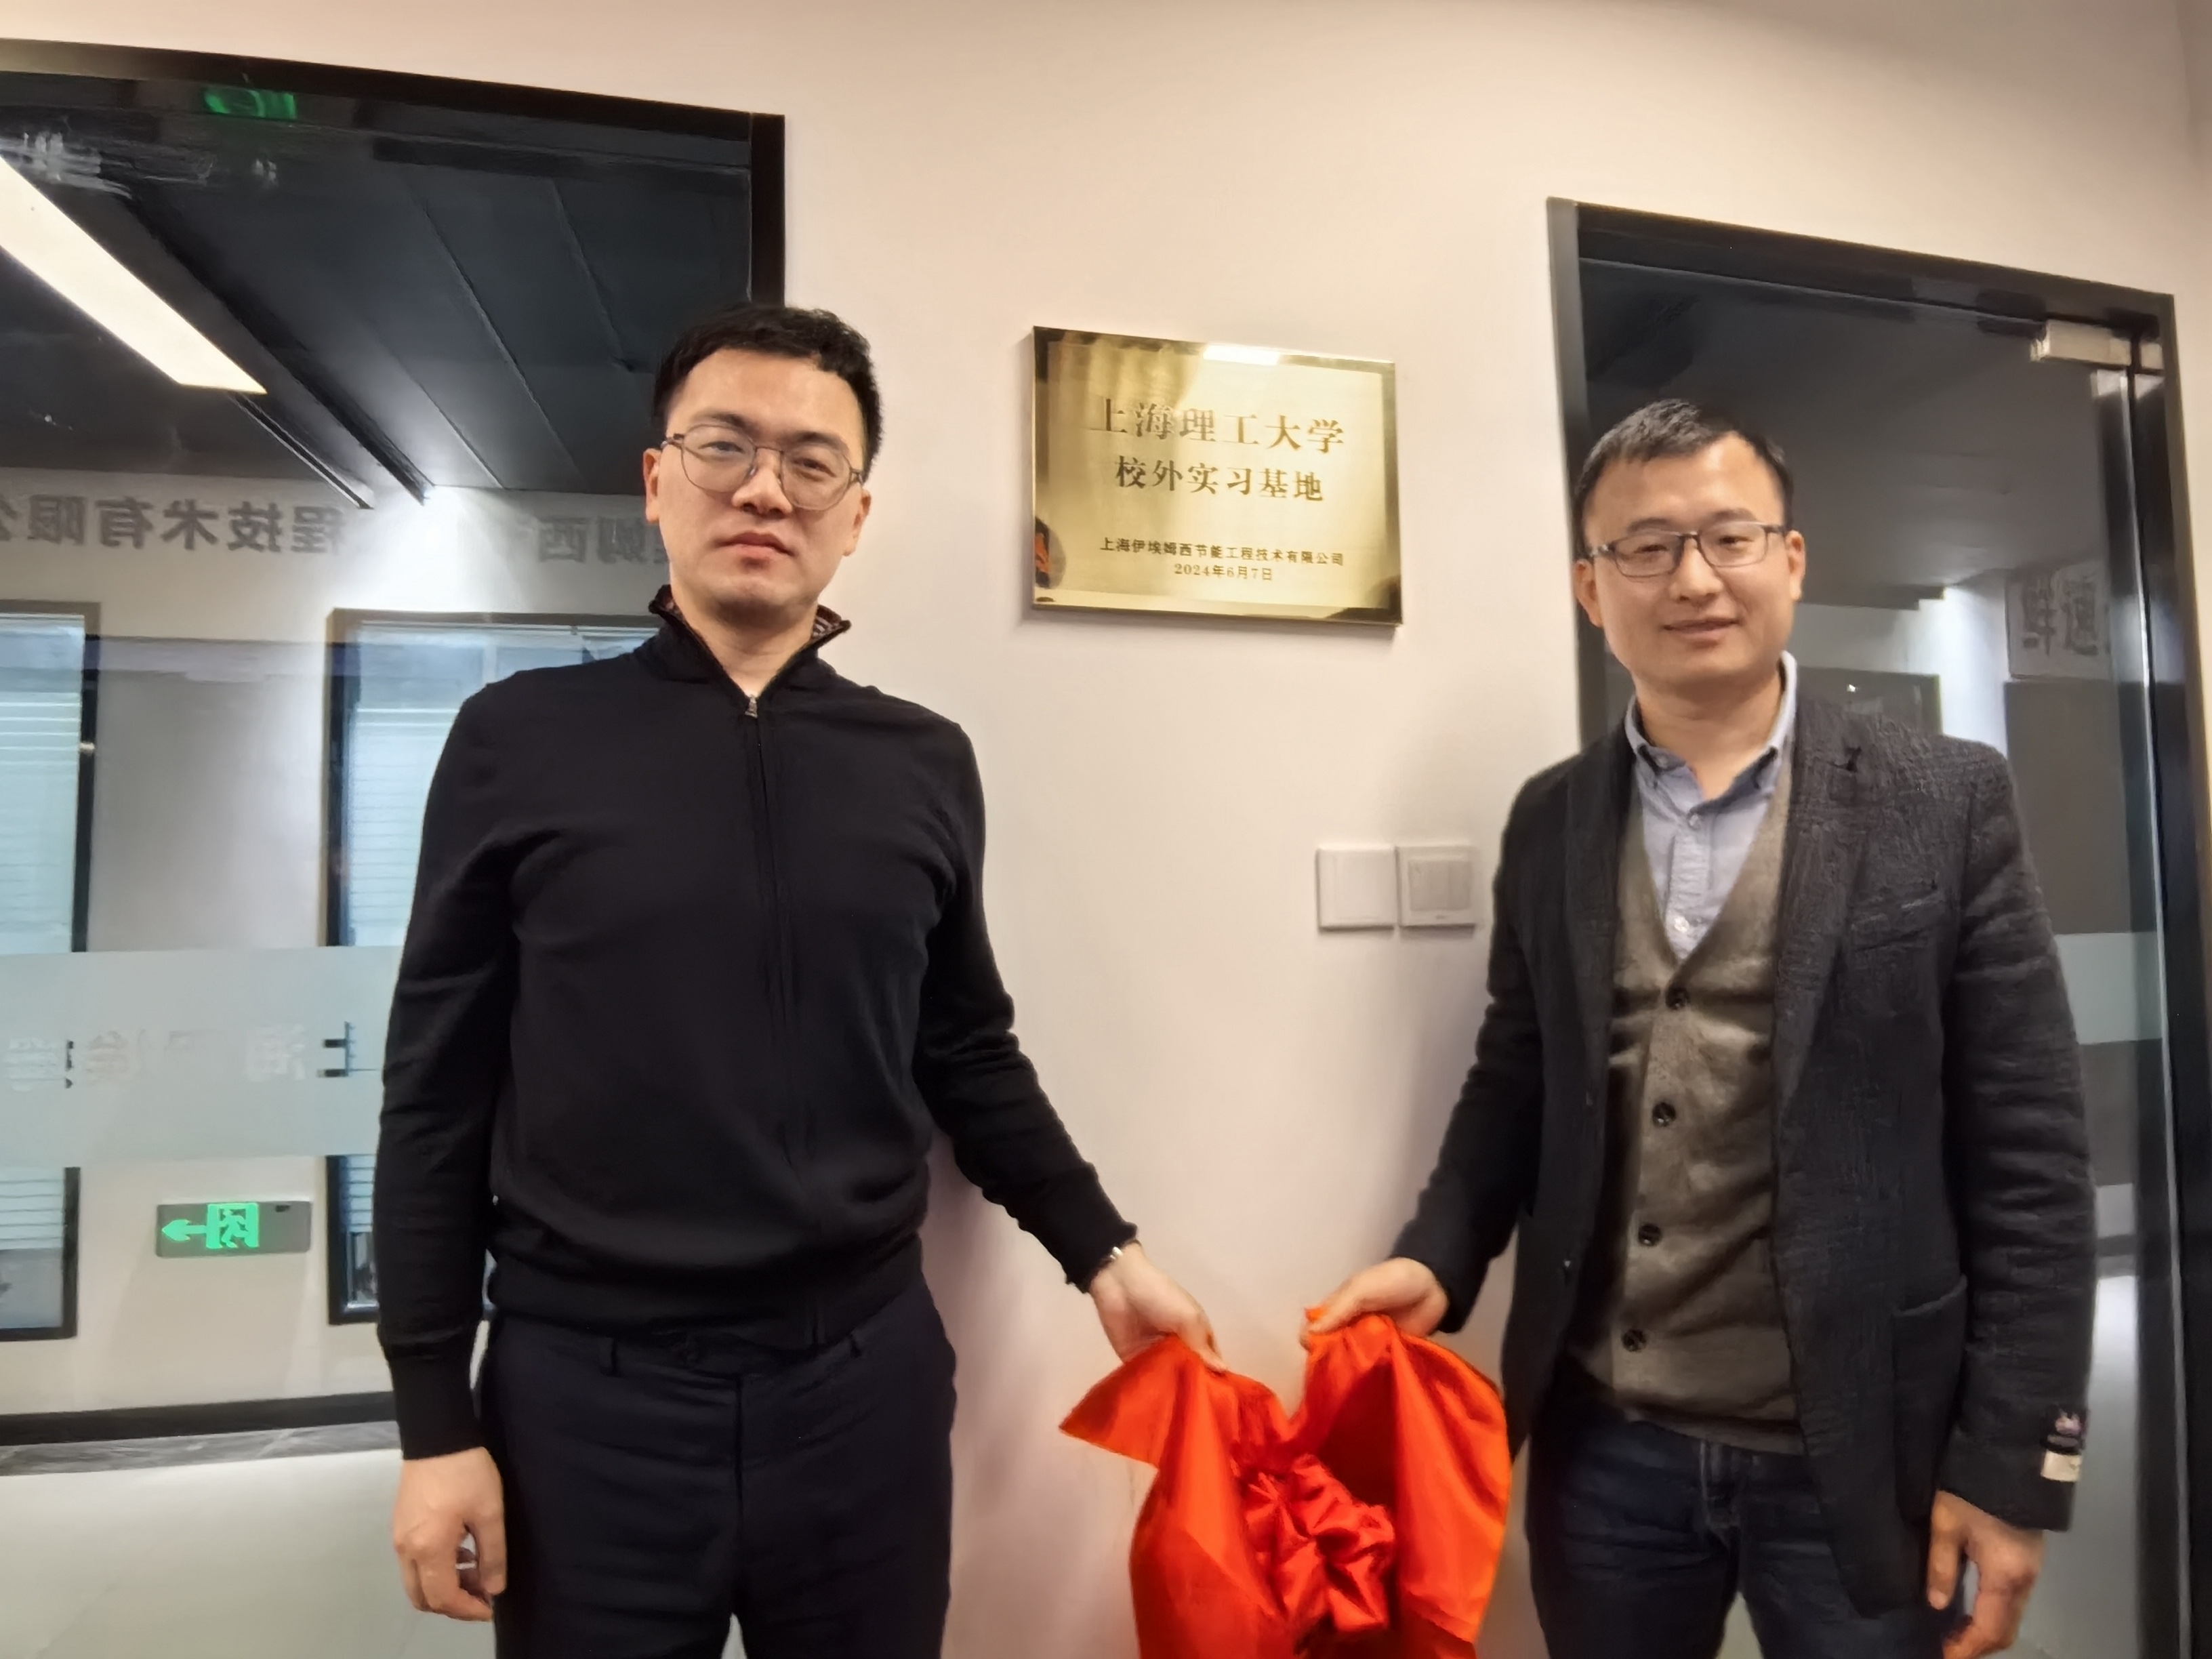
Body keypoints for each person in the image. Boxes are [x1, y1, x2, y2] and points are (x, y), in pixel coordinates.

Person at [374, 302, 1219, 1659]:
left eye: (811, 461)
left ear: (856, 513)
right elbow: (436, 1092)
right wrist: (432, 1420)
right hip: (586, 1401)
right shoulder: (516, 740)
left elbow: (965, 1048)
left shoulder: (921, 761)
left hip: (859, 1389)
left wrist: (1103, 1253)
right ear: (656, 481)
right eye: (724, 446)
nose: (765, 489)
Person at [1309, 400, 2094, 1659]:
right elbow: (1515, 1081)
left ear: (1792, 559)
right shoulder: (1553, 820)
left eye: (1730, 537)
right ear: (1590, 586)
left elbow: (2034, 1158)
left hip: (1866, 1445)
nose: (1692, 579)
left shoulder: (1945, 801)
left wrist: (2014, 1464)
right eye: (1645, 546)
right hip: (1608, 1448)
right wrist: (1439, 1258)